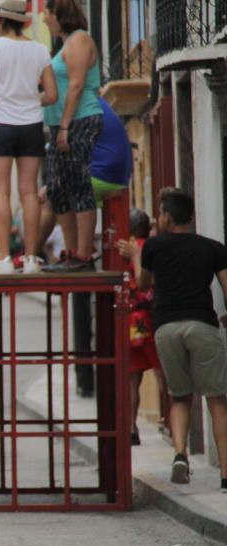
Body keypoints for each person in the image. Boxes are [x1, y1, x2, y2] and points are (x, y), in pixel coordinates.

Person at [118, 189, 227, 492]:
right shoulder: (213, 248)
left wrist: (138, 257)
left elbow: (142, 284)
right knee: (217, 400)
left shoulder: (153, 247)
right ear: (191, 217)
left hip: (166, 328)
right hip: (202, 325)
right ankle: (226, 475)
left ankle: (180, 454)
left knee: (179, 397)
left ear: (166, 217)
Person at [0, 0, 57, 275]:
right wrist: (30, 101)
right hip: (31, 125)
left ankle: (4, 258)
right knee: (29, 191)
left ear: (0, 21)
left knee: (0, 192)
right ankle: (31, 259)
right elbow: (52, 95)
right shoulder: (40, 50)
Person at [41, 0, 104, 273]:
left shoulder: (79, 41)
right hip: (59, 124)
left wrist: (65, 126)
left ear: (59, 14)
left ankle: (84, 254)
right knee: (55, 188)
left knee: (79, 185)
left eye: (47, 14)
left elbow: (76, 85)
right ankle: (72, 251)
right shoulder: (63, 45)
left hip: (79, 120)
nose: (44, 19)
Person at [117, 210, 167, 447]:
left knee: (132, 378)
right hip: (154, 315)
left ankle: (131, 427)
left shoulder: (125, 249)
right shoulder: (154, 247)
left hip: (132, 320)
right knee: (162, 371)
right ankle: (168, 416)